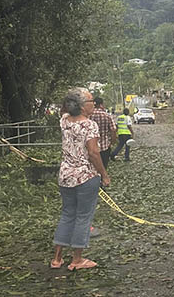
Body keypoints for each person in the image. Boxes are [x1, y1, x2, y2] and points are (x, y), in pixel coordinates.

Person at [50, 88, 111, 271]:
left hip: (65, 175)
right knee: (84, 217)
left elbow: (63, 110)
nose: (93, 105)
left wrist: (69, 95)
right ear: (83, 106)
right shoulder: (89, 125)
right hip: (85, 176)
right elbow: (93, 152)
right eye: (91, 101)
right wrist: (104, 174)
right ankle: (77, 260)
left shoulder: (64, 121)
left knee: (67, 214)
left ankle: (57, 259)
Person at [89, 97, 116, 169]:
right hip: (104, 147)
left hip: (90, 147)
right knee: (104, 166)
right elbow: (113, 130)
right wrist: (112, 143)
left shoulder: (88, 116)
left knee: (92, 168)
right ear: (101, 104)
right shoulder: (107, 116)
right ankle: (103, 178)